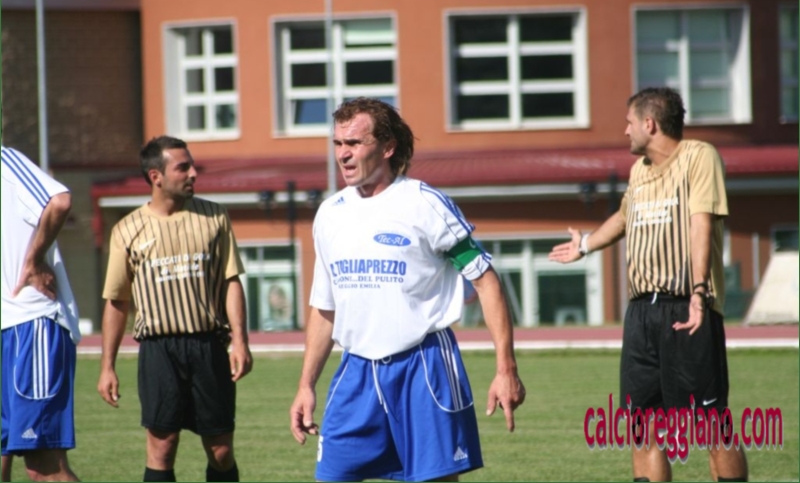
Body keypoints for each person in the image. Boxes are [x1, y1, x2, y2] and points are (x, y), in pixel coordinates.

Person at [289, 97, 526, 482]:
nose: (343, 154)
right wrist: (305, 385)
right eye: (338, 143)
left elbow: (485, 281)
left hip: (424, 367)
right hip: (356, 372)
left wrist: (506, 369)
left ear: (387, 147)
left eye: (355, 143)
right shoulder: (329, 214)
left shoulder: (425, 204)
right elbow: (325, 308)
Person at [549, 87, 748, 482]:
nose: (625, 131)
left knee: (709, 422)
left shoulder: (699, 156)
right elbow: (625, 217)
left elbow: (701, 222)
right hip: (641, 313)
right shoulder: (639, 171)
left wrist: (698, 292)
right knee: (642, 425)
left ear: (650, 123)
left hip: (687, 306)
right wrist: (585, 245)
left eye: (629, 123)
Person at [97, 136, 253, 482]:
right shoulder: (127, 230)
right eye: (183, 167)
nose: (193, 173)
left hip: (208, 346)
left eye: (192, 165)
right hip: (158, 351)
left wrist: (240, 342)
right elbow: (117, 301)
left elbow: (231, 281)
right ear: (156, 176)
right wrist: (107, 366)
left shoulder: (214, 216)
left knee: (221, 451)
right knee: (162, 447)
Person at [1, 146, 82, 481]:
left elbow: (59, 201)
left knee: (43, 466)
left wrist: (34, 259)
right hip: (7, 328)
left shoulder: (4, 161)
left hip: (29, 327)